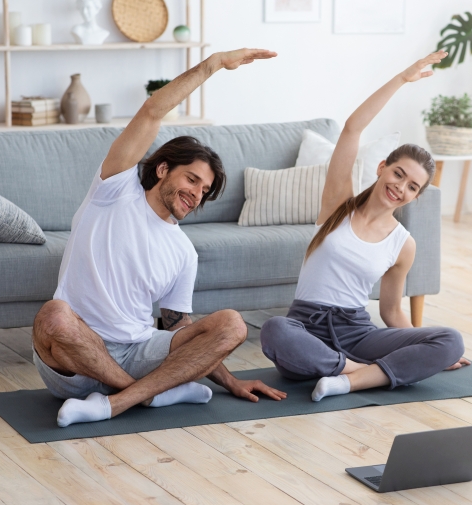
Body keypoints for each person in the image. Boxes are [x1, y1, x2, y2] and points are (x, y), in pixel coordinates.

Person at [32, 48, 287, 428]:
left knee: (232, 324)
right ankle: (151, 394)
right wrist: (213, 64)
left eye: (205, 190)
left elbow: (176, 327)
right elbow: (153, 110)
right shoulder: (115, 189)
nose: (196, 194)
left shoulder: (183, 250)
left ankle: (118, 402)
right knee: (53, 316)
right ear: (164, 169)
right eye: (191, 180)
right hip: (78, 358)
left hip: (140, 351)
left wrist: (230, 381)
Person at [260, 51, 470, 402]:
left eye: (412, 186)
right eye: (398, 173)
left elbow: (390, 311)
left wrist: (431, 349)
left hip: (358, 333)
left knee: (451, 340)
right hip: (305, 329)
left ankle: (345, 381)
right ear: (382, 167)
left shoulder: (403, 244)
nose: (400, 187)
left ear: (416, 196)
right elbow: (353, 127)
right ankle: (359, 372)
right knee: (274, 330)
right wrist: (402, 78)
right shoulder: (338, 205)